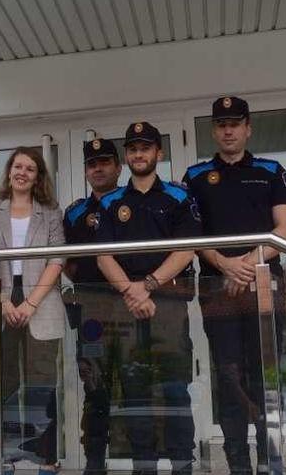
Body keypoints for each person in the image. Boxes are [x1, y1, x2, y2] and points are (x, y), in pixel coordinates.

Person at [182, 96, 286, 475]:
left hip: (263, 286)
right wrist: (223, 265)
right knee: (228, 378)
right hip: (218, 288)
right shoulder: (195, 177)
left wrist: (243, 265)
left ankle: (270, 462)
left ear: (248, 127)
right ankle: (238, 468)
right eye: (221, 124)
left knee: (266, 377)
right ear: (213, 131)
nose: (228, 130)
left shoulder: (271, 170)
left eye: (235, 123)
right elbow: (190, 236)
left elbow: (285, 230)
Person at [96, 122, 201, 475]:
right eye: (133, 148)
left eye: (146, 147)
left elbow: (186, 249)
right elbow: (103, 255)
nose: (139, 153)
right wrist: (132, 290)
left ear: (159, 153)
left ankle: (183, 466)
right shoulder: (111, 202)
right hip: (127, 309)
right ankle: (145, 468)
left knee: (175, 391)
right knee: (135, 394)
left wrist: (150, 284)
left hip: (169, 307)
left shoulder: (178, 196)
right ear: (127, 157)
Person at [0, 147, 66, 475]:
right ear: (9, 171)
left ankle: (45, 457)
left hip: (42, 299)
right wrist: (5, 302)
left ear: (38, 177)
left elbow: (58, 258)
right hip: (1, 299)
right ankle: (7, 453)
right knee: (4, 383)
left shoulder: (50, 211)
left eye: (30, 169)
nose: (23, 172)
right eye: (18, 166)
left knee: (42, 384)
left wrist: (31, 302)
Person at [62, 138, 122, 475]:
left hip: (131, 307)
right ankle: (95, 464)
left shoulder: (132, 202)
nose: (98, 168)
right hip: (92, 312)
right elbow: (68, 263)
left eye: (104, 162)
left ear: (118, 166)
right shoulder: (75, 212)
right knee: (95, 386)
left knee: (134, 385)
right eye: (92, 164)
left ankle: (141, 461)